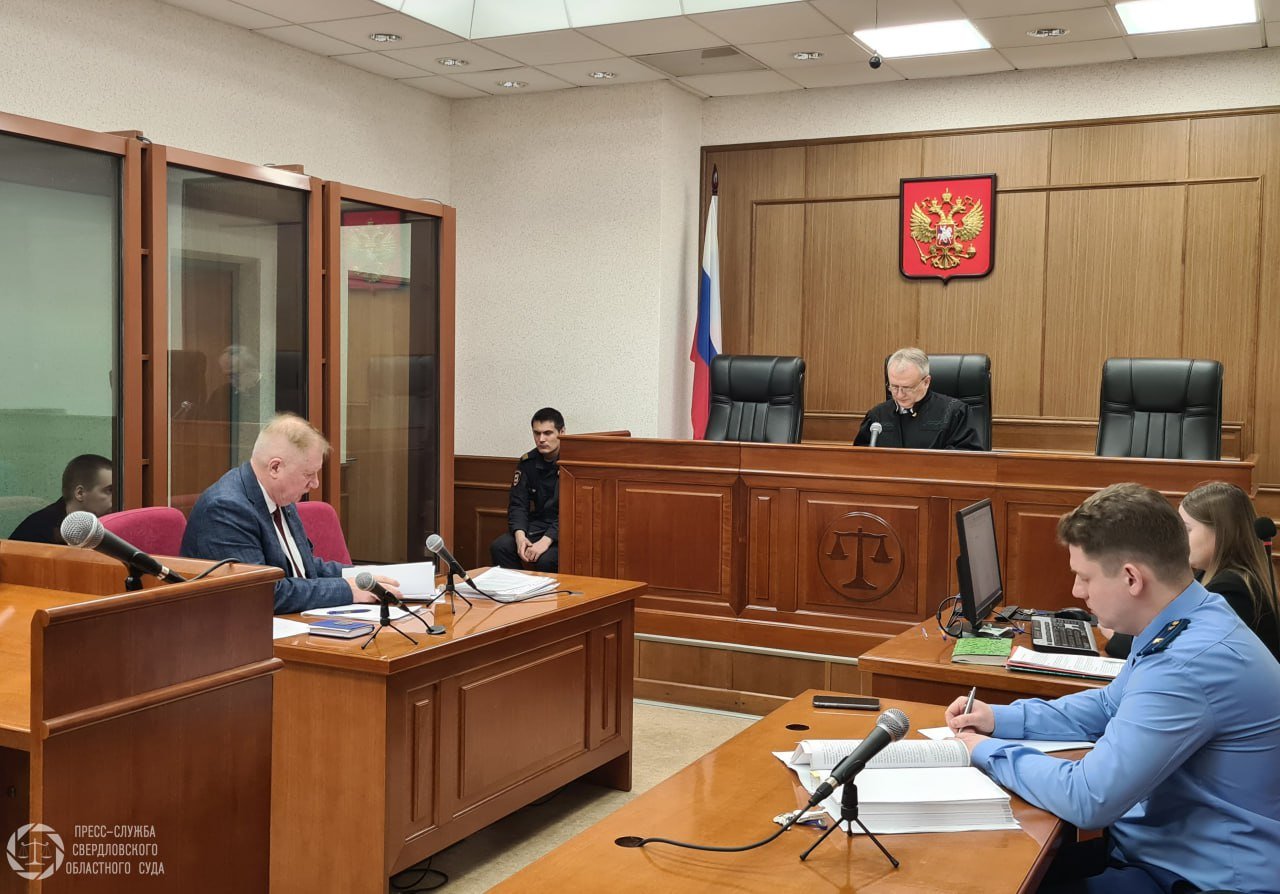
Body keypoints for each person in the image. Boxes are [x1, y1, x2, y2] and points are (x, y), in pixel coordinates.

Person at [945, 483, 1280, 894]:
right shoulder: (1188, 615)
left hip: (1202, 880)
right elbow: (1109, 705)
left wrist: (982, 750)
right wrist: (999, 718)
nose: (1077, 591)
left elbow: (1088, 799)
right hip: (1162, 853)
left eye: (1085, 577)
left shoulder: (1187, 662)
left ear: (1131, 578)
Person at [181, 413, 400, 614]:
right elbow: (262, 593)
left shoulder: (279, 496)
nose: (315, 483)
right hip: (235, 635)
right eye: (308, 474)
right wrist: (347, 589)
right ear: (275, 468)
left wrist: (363, 577)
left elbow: (304, 567)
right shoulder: (226, 509)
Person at [1105, 481, 1280, 661]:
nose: (1178, 538)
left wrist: (1116, 636)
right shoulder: (1206, 575)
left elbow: (1174, 649)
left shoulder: (1231, 591)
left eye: (1186, 529)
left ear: (1221, 533)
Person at [853, 347, 983, 450]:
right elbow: (859, 460)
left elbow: (969, 461)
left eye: (907, 388)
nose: (899, 395)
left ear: (926, 382)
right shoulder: (877, 417)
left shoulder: (955, 413)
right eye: (894, 387)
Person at [490, 408, 563, 572]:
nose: (541, 439)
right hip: (538, 524)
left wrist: (546, 540)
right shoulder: (527, 462)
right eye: (537, 433)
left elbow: (574, 512)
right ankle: (517, 586)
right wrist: (520, 536)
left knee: (546, 561)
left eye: (548, 433)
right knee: (500, 547)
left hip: (565, 530)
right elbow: (518, 504)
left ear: (562, 432)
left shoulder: (574, 463)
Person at [8, 454, 113, 544]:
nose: (117, 497)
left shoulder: (107, 526)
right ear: (80, 493)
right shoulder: (36, 532)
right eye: (110, 490)